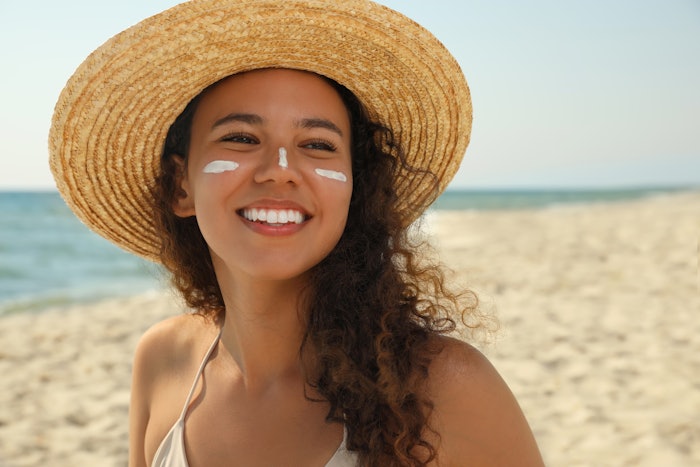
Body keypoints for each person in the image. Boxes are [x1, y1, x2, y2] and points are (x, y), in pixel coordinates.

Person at [49, 1, 544, 465]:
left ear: (356, 189)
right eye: (241, 138)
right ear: (182, 186)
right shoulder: (161, 361)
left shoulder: (444, 388)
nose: (280, 170)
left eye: (317, 144)